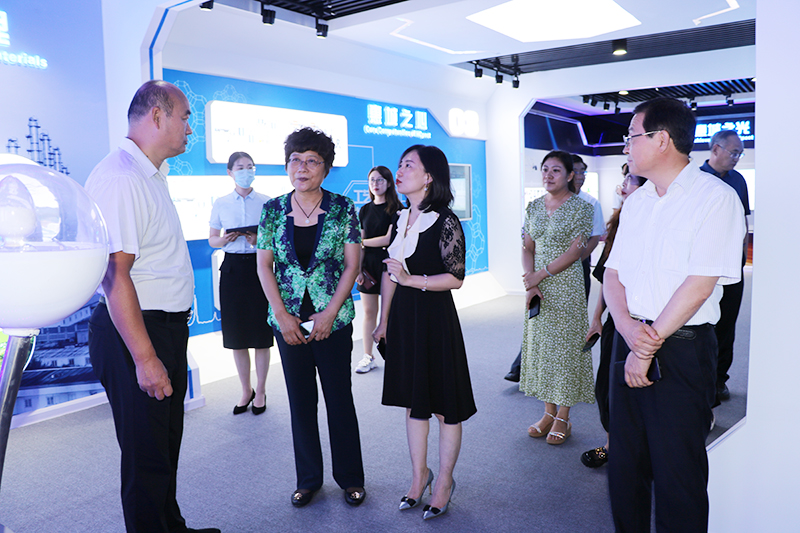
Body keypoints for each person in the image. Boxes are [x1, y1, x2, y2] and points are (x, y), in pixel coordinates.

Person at [604, 98, 745, 532]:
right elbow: (612, 274)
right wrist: (628, 331)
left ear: (661, 139)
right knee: (625, 468)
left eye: (632, 136)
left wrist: (645, 347)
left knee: (677, 475)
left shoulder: (715, 198)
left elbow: (699, 284)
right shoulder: (638, 202)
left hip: (682, 349)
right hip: (628, 340)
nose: (626, 146)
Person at [85, 80, 220, 533]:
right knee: (146, 456)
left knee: (163, 445)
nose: (189, 129)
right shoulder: (122, 178)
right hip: (135, 333)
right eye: (185, 117)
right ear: (158, 115)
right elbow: (114, 274)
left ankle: (171, 527)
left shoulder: (149, 175)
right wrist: (145, 358)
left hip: (162, 329)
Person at [256, 127, 365, 508]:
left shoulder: (343, 208)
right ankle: (308, 480)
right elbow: (264, 266)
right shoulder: (272, 210)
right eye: (295, 160)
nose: (302, 168)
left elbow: (352, 265)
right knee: (300, 402)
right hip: (287, 321)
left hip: (332, 319)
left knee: (339, 399)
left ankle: (350, 478)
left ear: (326, 168)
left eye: (312, 161)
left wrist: (330, 313)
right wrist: (282, 315)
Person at [373, 145, 475, 521]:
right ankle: (419, 477)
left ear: (429, 176)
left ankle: (444, 481)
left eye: (408, 165)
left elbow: (456, 278)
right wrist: (384, 320)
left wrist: (411, 279)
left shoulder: (446, 220)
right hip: (404, 318)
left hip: (434, 318)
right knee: (414, 403)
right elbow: (390, 273)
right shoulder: (400, 217)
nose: (399, 171)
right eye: (399, 164)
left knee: (446, 407)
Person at [520, 150, 594, 445]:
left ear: (570, 175)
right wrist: (531, 283)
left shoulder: (582, 208)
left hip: (566, 286)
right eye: (545, 169)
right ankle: (548, 412)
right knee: (543, 348)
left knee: (566, 349)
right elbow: (527, 247)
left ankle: (563, 416)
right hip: (538, 288)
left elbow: (576, 251)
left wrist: (541, 274)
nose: (548, 175)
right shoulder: (533, 206)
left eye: (556, 171)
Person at [580, 164, 646, 468]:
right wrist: (597, 318)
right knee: (607, 385)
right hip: (616, 322)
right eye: (624, 180)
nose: (623, 187)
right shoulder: (619, 222)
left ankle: (635, 451)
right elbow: (608, 278)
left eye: (630, 181)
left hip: (645, 322)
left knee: (637, 387)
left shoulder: (652, 223)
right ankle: (612, 444)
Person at [209, 151, 273, 415]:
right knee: (237, 336)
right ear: (230, 172)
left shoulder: (267, 202)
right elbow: (212, 238)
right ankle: (246, 390)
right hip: (233, 269)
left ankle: (262, 390)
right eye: (240, 167)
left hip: (260, 268)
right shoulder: (221, 203)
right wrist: (223, 240)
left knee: (261, 335)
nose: (246, 171)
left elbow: (275, 239)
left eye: (250, 167)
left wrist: (259, 240)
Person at [699, 130, 750, 403]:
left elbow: (742, 223)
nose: (737, 158)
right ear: (716, 149)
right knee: (702, 323)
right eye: (734, 152)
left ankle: (719, 379)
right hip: (702, 268)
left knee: (727, 325)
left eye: (740, 153)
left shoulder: (738, 180)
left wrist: (740, 259)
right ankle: (699, 380)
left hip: (732, 269)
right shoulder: (696, 179)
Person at [354, 165, 401, 374]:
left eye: (380, 180)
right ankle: (368, 356)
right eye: (372, 180)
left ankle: (395, 355)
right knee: (368, 312)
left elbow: (388, 239)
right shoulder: (364, 209)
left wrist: (362, 242)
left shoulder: (397, 209)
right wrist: (358, 269)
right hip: (369, 266)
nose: (375, 184)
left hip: (390, 264)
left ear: (389, 183)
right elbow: (360, 242)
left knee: (389, 313)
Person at [572, 155, 605, 301]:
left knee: (578, 304)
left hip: (580, 260)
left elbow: (595, 236)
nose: (580, 177)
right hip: (551, 263)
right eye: (575, 172)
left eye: (583, 172)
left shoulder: (591, 203)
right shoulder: (550, 201)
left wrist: (576, 261)